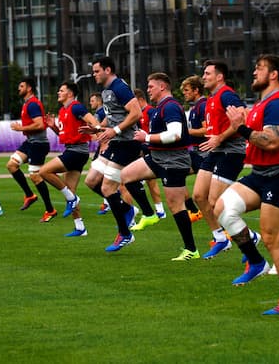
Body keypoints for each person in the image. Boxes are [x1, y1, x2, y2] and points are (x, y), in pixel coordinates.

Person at [216, 54, 279, 314]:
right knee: (222, 208)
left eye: (259, 68)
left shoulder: (278, 103)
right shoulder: (261, 103)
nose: (254, 72)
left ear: (274, 74)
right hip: (260, 174)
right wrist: (241, 125)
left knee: (272, 240)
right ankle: (256, 263)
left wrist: (241, 128)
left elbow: (272, 141)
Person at [121, 72, 198, 260]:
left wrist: (146, 137)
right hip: (157, 157)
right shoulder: (160, 107)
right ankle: (149, 214)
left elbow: (175, 135)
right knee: (125, 176)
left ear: (162, 86)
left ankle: (191, 250)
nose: (148, 90)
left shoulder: (170, 106)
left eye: (151, 87)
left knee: (175, 205)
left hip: (173, 160)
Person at [81, 56, 144, 252]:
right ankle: (127, 209)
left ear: (108, 70)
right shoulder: (107, 90)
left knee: (108, 189)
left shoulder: (119, 87)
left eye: (97, 71)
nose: (94, 74)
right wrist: (98, 128)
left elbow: (136, 113)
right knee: (91, 181)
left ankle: (125, 234)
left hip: (128, 144)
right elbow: (114, 117)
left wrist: (114, 131)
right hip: (117, 142)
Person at [192, 60, 250, 259]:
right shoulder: (211, 98)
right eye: (204, 73)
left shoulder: (227, 94)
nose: (204, 77)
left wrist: (220, 137)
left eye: (208, 73)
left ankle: (250, 237)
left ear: (220, 77)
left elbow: (243, 115)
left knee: (216, 201)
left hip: (231, 151)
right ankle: (220, 237)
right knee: (199, 196)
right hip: (216, 151)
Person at [38, 82, 101, 227]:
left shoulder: (76, 107)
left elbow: (94, 122)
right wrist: (53, 126)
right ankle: (80, 227)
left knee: (44, 171)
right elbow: (63, 134)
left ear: (70, 94)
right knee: (70, 189)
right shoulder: (63, 111)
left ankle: (72, 199)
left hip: (77, 151)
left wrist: (95, 129)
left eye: (61, 90)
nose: (58, 93)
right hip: (72, 150)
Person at [7, 77, 56, 219]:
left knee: (35, 175)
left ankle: (50, 210)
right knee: (11, 165)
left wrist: (20, 128)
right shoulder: (27, 103)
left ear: (29, 88)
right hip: (30, 142)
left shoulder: (33, 104)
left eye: (21, 86)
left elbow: (40, 124)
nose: (19, 88)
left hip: (38, 144)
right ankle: (30, 195)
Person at [129, 88, 165, 229]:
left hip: (152, 148)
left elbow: (156, 131)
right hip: (143, 149)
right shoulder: (140, 114)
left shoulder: (150, 111)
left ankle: (159, 210)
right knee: (147, 181)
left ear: (139, 100)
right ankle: (157, 210)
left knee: (151, 181)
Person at [180, 75, 206, 222]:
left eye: (187, 90)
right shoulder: (195, 107)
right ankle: (193, 210)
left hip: (204, 153)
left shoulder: (202, 105)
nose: (184, 93)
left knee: (208, 195)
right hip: (195, 152)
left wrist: (186, 132)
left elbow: (207, 129)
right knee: (176, 175)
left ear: (196, 90)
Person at [90, 92, 111, 215]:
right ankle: (108, 201)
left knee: (98, 175)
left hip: (104, 146)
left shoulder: (99, 113)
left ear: (99, 101)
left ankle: (109, 201)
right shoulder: (105, 111)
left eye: (92, 101)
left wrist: (100, 139)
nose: (90, 103)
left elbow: (98, 130)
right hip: (105, 145)